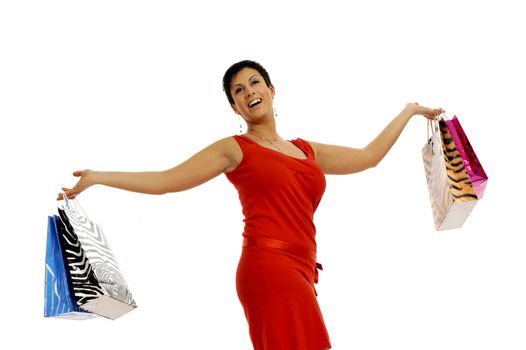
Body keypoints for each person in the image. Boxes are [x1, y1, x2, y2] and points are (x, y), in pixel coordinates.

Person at [58, 60, 444, 350]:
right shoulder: (234, 149)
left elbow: (368, 156)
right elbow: (165, 181)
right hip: (268, 267)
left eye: (254, 83)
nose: (248, 92)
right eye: (238, 91)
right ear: (235, 108)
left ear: (272, 90)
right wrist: (97, 178)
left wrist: (408, 112)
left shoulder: (306, 150)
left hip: (301, 270)